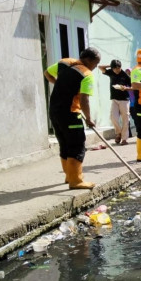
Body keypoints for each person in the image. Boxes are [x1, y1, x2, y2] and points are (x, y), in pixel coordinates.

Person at [43, 47, 101, 190]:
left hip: (54, 111)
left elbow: (47, 73)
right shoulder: (86, 74)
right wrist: (88, 118)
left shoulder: (65, 62)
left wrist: (58, 84)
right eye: (96, 63)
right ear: (89, 60)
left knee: (65, 144)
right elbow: (84, 99)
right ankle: (76, 181)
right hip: (70, 113)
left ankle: (69, 176)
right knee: (76, 145)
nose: (95, 67)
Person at [98, 60, 131, 145]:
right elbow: (100, 67)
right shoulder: (110, 72)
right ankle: (118, 133)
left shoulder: (124, 75)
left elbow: (131, 85)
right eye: (115, 68)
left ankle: (124, 139)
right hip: (114, 99)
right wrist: (111, 65)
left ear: (121, 67)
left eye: (118, 68)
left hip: (124, 99)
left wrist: (125, 88)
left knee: (125, 119)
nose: (117, 70)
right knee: (113, 117)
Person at [125, 68, 137, 138]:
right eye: (126, 73)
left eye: (129, 72)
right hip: (126, 103)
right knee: (127, 119)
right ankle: (129, 134)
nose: (128, 74)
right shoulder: (124, 82)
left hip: (133, 103)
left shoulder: (133, 81)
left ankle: (138, 131)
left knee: (135, 118)